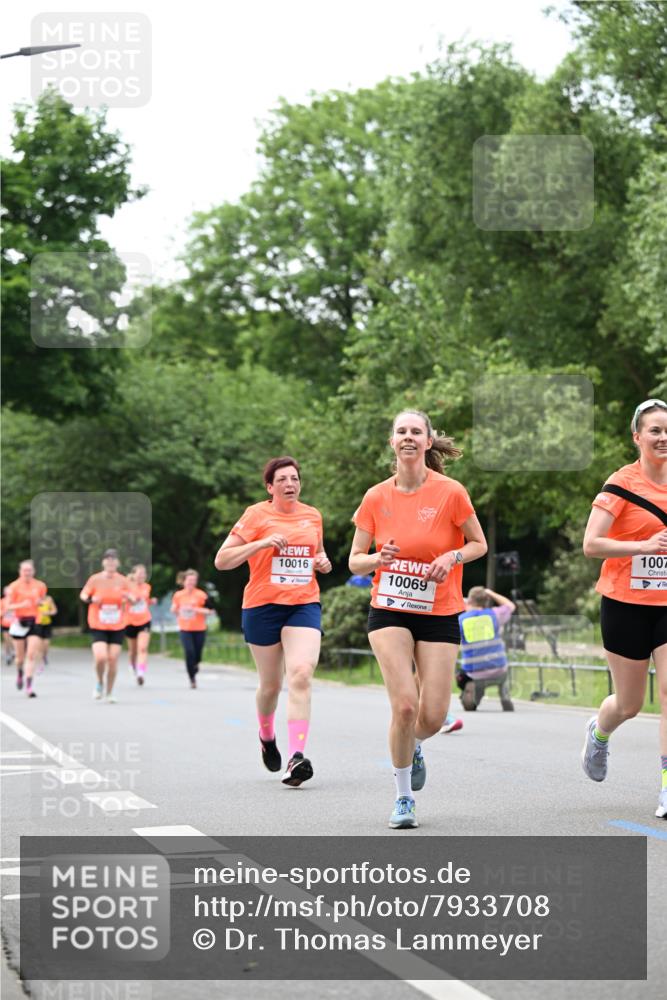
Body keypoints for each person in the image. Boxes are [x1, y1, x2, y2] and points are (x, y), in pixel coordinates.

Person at [348, 410, 487, 828]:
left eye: (416, 432)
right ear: (392, 442)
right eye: (401, 431)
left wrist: (452, 555)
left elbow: (479, 544)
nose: (408, 437)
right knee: (405, 706)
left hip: (439, 610)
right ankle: (404, 797)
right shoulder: (376, 497)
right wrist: (377, 558)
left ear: (428, 441)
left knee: (431, 715)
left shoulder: (451, 492)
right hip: (389, 608)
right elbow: (355, 562)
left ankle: (415, 745)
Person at [215, 456, 331, 786]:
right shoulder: (256, 515)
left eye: (294, 478)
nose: (290, 484)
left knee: (301, 673)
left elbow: (317, 555)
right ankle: (266, 736)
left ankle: (296, 757)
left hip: (303, 604)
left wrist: (322, 562)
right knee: (270, 685)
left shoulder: (313, 516)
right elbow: (222, 560)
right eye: (282, 480)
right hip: (262, 606)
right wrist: (262, 543)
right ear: (270, 487)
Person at [582, 398, 667, 820]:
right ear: (638, 437)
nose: (663, 437)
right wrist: (643, 546)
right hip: (625, 603)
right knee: (630, 703)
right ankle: (599, 733)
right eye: (654, 430)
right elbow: (591, 544)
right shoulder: (621, 483)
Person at [80, 549, 130, 703]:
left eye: (113, 560)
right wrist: (91, 598)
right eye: (108, 560)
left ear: (118, 563)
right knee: (101, 657)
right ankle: (99, 682)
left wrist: (128, 598)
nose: (110, 562)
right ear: (103, 562)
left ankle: (109, 692)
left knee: (113, 659)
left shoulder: (123, 580)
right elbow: (83, 595)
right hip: (98, 623)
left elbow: (132, 597)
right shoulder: (95, 579)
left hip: (118, 624)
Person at [456, 586, 516, 711]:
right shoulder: (494, 614)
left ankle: (474, 693)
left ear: (470, 601)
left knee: (460, 675)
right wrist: (491, 593)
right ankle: (504, 693)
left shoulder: (461, 620)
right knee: (503, 672)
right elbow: (510, 606)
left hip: (474, 673)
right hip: (499, 669)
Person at [6, 560, 47, 698]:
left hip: (34, 622)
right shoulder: (14, 586)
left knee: (31, 655)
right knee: (20, 658)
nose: (27, 573)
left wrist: (40, 603)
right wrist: (21, 605)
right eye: (25, 570)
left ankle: (29, 687)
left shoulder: (40, 586)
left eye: (29, 570)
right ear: (20, 571)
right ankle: (19, 672)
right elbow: (8, 607)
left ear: (33, 571)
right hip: (19, 622)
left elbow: (43, 601)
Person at [170, 569, 216, 689]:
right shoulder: (178, 595)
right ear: (184, 581)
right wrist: (175, 609)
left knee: (197, 654)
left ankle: (196, 664)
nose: (191, 582)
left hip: (199, 628)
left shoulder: (201, 595)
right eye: (189, 580)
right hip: (185, 628)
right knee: (189, 652)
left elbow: (211, 611)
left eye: (194, 580)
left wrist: (196, 609)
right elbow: (174, 608)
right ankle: (192, 679)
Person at [125, 564, 156, 686]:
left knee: (142, 648)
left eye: (144, 574)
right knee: (132, 651)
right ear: (133, 575)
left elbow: (145, 601)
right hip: (130, 621)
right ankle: (132, 665)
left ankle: (141, 673)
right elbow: (122, 600)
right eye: (139, 573)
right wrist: (130, 598)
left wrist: (151, 601)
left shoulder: (147, 587)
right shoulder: (127, 586)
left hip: (144, 620)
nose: (142, 576)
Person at [35, 592, 58, 670]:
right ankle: (40, 659)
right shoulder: (34, 598)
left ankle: (44, 655)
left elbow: (54, 611)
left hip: (47, 623)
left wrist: (47, 612)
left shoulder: (49, 599)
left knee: (46, 643)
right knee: (39, 643)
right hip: (37, 624)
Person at [1, 587, 16, 665]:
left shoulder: (16, 601)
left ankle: (14, 651)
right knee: (6, 640)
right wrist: (5, 610)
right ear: (4, 593)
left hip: (14, 624)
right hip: (5, 623)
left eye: (10, 592)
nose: (9, 594)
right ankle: (8, 654)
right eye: (7, 592)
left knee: (13, 639)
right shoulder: (2, 601)